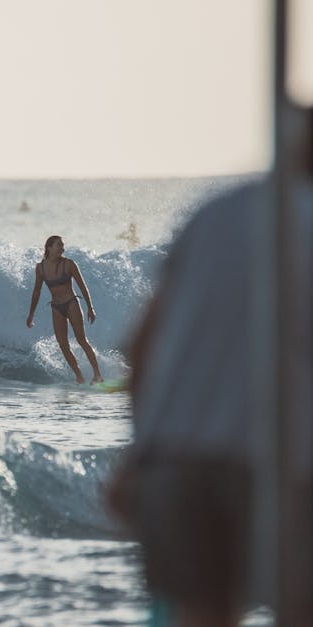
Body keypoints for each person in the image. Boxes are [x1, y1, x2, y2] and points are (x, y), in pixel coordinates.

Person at [105, 121, 313, 625]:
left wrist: (138, 456)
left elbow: (142, 344)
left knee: (199, 616)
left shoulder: (214, 211)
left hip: (177, 462)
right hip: (279, 465)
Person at [25, 235, 104, 383]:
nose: (63, 248)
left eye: (62, 246)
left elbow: (82, 286)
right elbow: (36, 292)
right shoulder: (40, 268)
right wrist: (31, 314)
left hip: (71, 303)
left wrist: (90, 308)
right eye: (59, 246)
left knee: (81, 340)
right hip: (56, 307)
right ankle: (79, 376)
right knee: (63, 345)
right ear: (49, 247)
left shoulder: (69, 264)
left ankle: (97, 375)